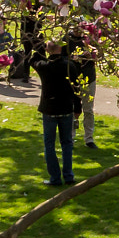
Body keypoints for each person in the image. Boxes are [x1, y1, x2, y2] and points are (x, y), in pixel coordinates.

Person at [31, 37, 83, 186]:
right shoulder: (69, 66)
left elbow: (32, 59)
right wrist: (78, 108)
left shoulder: (44, 66)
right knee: (67, 143)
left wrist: (40, 48)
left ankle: (55, 177)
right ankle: (68, 176)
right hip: (66, 108)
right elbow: (76, 89)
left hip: (49, 109)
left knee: (49, 145)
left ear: (48, 50)